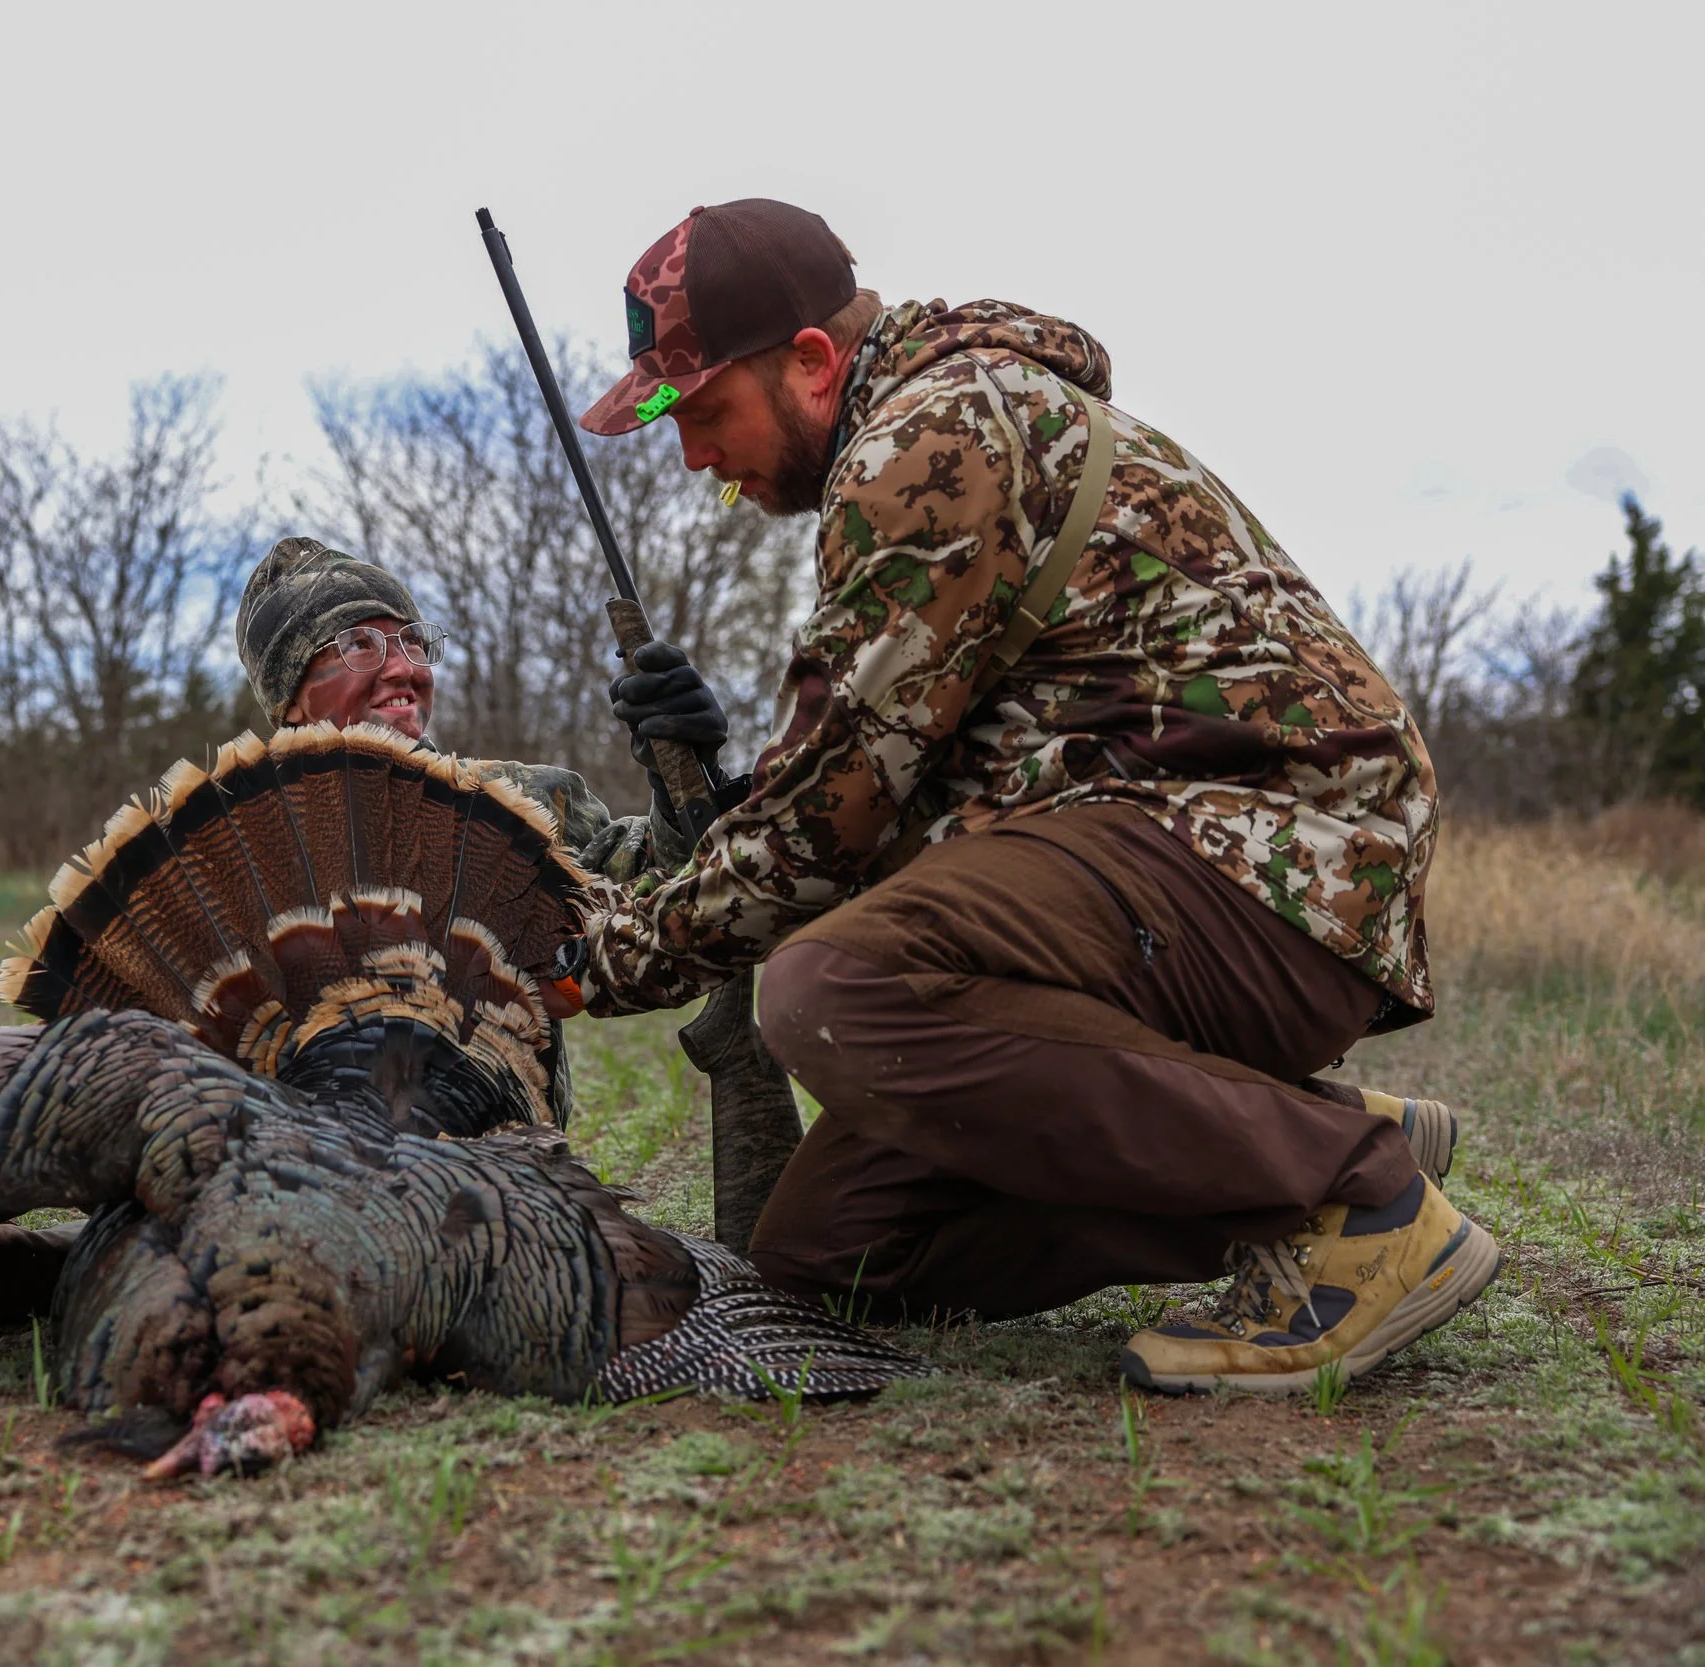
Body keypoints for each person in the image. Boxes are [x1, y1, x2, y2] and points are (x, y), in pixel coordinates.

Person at [572, 198, 1496, 1393]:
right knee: (831, 1253)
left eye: (703, 411)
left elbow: (830, 814)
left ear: (809, 361)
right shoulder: (941, 425)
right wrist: (744, 785)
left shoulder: (929, 440)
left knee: (833, 991)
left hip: (1270, 855)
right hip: (1166, 864)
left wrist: (606, 958)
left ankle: (1353, 1195)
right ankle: (1286, 1125)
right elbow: (885, 780)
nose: (696, 455)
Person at [0, 536, 676, 1322]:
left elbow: (663, 890)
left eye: (413, 640)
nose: (405, 666)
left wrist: (677, 775)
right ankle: (134, 1250)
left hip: (479, 1133)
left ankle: (115, 1264)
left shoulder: (522, 797)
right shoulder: (231, 834)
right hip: (276, 1150)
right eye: (359, 643)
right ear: (292, 695)